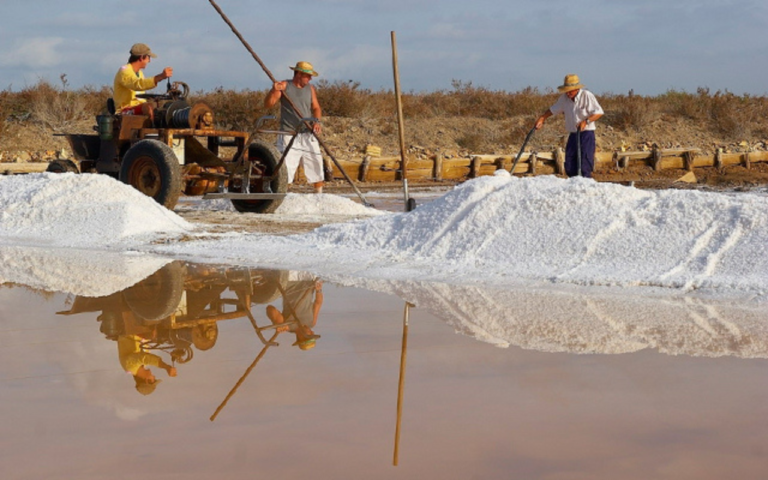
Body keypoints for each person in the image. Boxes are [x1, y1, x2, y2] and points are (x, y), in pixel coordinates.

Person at [264, 61, 325, 193]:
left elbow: (316, 107)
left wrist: (317, 121)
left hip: (307, 132)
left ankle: (319, 195)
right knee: (286, 167)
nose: (310, 79)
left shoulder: (310, 88)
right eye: (307, 76)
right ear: (298, 74)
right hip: (288, 133)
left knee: (315, 163)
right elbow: (269, 104)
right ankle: (282, 195)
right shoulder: (284, 86)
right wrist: (274, 90)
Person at [534, 74, 604, 178]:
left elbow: (599, 112)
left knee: (584, 164)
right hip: (573, 134)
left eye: (570, 90)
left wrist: (586, 121)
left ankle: (585, 186)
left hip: (586, 135)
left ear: (577, 89)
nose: (568, 93)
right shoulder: (564, 98)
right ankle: (573, 186)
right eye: (567, 91)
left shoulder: (586, 95)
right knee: (570, 165)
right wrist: (542, 117)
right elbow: (553, 109)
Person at [113, 43, 173, 121]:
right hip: (125, 111)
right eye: (148, 57)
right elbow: (137, 84)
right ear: (141, 57)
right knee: (147, 107)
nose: (149, 61)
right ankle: (152, 129)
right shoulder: (124, 71)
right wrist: (160, 77)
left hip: (138, 108)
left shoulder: (140, 73)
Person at [265, 277, 323, 350]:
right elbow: (318, 303)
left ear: (301, 337)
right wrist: (319, 290)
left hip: (290, 280)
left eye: (310, 334)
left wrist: (277, 323)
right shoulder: (312, 323)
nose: (312, 331)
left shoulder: (286, 327)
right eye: (313, 334)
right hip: (308, 279)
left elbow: (270, 309)